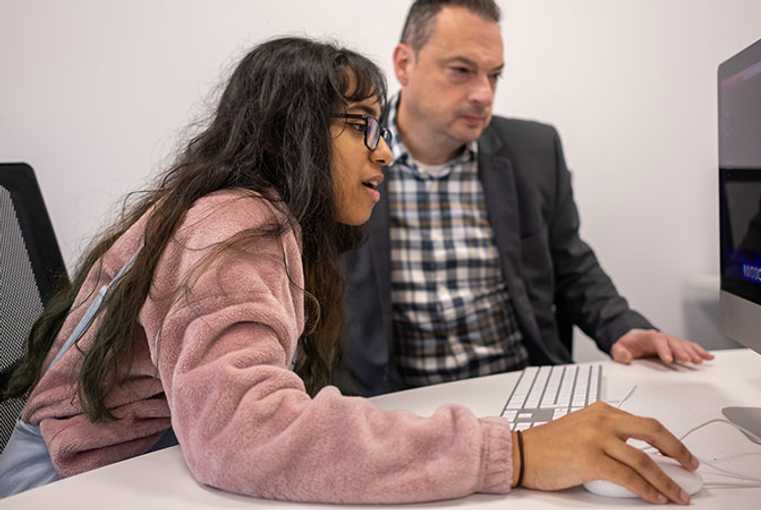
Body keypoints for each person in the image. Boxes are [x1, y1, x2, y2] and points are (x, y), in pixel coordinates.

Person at [0, 36, 696, 505]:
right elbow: (245, 433)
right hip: (76, 484)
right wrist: (509, 455)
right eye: (361, 127)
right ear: (295, 132)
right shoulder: (237, 225)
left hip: (129, 459)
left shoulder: (234, 210)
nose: (383, 153)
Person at [337, 0, 714, 397]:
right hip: (400, 406)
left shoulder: (533, 150)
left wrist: (624, 327)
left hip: (523, 389)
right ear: (404, 64)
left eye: (494, 76)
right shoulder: (348, 156)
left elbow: (572, 266)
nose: (483, 94)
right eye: (462, 71)